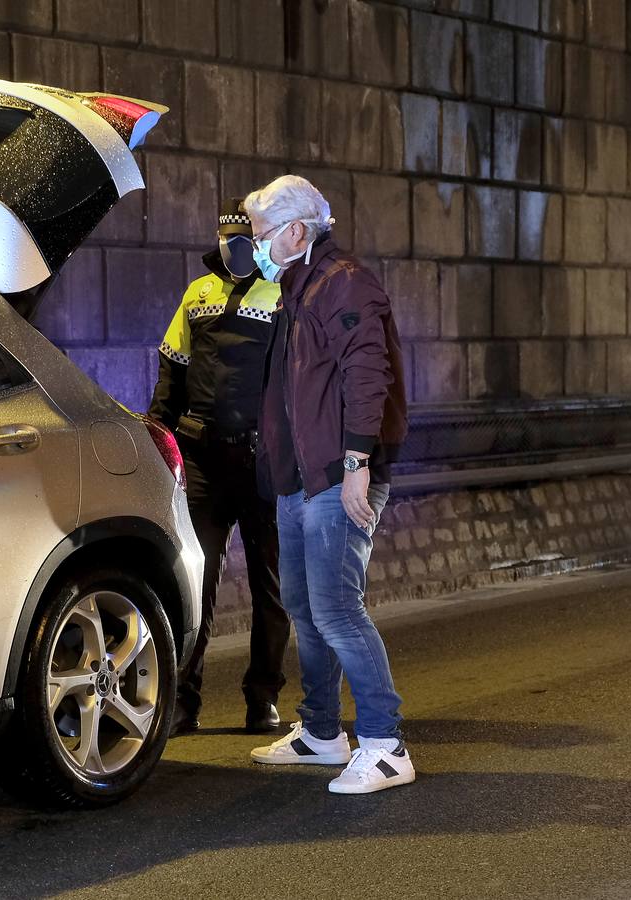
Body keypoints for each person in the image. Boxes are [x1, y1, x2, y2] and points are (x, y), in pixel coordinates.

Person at [242, 175, 414, 794]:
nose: (253, 244)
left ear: (295, 231)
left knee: (339, 609)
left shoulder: (342, 283)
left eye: (260, 233)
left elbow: (368, 374)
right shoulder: (297, 286)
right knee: (305, 607)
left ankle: (385, 744)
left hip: (336, 474)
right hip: (299, 476)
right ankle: (321, 732)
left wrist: (356, 465)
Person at [149, 197, 290, 735]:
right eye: (228, 239)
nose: (236, 249)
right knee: (195, 580)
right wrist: (157, 435)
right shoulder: (197, 293)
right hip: (204, 459)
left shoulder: (281, 296)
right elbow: (172, 370)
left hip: (262, 463)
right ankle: (183, 700)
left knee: (269, 585)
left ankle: (263, 697)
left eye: (245, 240)